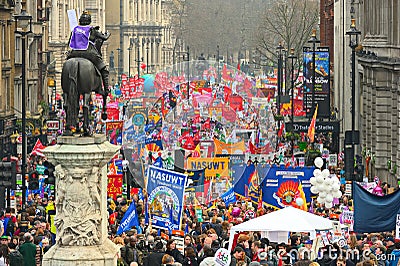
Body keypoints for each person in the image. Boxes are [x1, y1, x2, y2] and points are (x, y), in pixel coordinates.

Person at [67, 11, 111, 94]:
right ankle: (106, 90)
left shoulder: (75, 29)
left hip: (74, 53)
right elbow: (104, 38)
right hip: (88, 53)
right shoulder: (91, 30)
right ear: (89, 21)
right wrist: (108, 34)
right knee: (104, 69)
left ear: (80, 21)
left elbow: (70, 41)